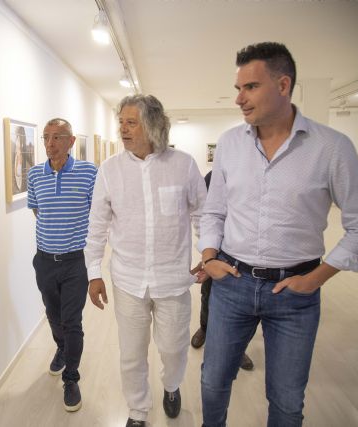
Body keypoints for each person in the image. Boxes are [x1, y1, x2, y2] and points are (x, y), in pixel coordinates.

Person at [198, 42, 358, 427]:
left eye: (250, 87)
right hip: (232, 284)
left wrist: (315, 279)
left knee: (285, 401)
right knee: (213, 382)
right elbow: (214, 210)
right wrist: (209, 258)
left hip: (295, 295)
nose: (239, 99)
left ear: (283, 85)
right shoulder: (231, 143)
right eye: (238, 88)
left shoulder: (331, 148)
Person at [85, 95, 207, 427]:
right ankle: (138, 411)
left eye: (131, 122)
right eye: (121, 122)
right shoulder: (110, 170)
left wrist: (208, 253)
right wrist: (93, 272)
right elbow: (97, 225)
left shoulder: (183, 165)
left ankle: (171, 386)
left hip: (173, 279)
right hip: (127, 279)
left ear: (152, 125)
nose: (123, 129)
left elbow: (202, 213)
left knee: (173, 348)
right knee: (131, 354)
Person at [27, 117, 98, 412]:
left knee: (72, 322)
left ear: (71, 142)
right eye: (46, 137)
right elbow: (37, 211)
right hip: (44, 261)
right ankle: (61, 348)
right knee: (53, 316)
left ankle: (71, 377)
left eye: (57, 137)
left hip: (74, 263)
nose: (49, 144)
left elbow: (99, 213)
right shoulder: (34, 175)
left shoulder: (88, 173)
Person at [191, 171, 254, 372]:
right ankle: (205, 329)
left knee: (245, 308)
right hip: (217, 251)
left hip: (244, 256)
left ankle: (238, 347)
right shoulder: (213, 176)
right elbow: (206, 215)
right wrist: (208, 257)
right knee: (208, 295)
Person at [13, 125, 34, 194]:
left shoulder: (27, 156)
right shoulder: (13, 157)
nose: (20, 142)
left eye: (22, 138)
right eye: (18, 138)